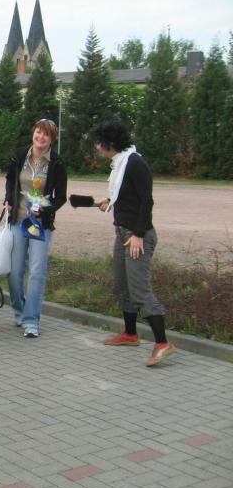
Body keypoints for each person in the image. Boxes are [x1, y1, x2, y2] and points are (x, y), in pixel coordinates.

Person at [94, 120, 176, 367]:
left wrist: (138, 234)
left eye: (99, 142)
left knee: (140, 290)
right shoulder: (120, 164)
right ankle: (130, 334)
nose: (97, 146)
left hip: (137, 236)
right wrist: (110, 201)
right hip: (122, 233)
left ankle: (162, 343)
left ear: (110, 143)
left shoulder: (135, 163)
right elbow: (126, 194)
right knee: (122, 285)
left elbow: (146, 201)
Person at [4, 118, 67, 338]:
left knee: (37, 273)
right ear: (33, 133)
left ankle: (31, 320)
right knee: (14, 272)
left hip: (40, 225)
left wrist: (47, 211)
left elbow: (61, 197)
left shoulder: (57, 163)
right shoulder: (19, 155)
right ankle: (19, 310)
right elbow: (10, 180)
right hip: (19, 221)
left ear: (52, 139)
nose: (41, 137)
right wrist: (8, 200)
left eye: (46, 134)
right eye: (38, 132)